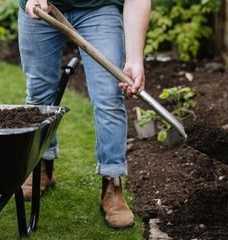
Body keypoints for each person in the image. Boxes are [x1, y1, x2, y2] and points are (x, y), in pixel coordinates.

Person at [18, 0, 151, 229]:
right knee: (39, 95)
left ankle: (112, 184)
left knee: (109, 95)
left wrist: (135, 60)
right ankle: (42, 166)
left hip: (98, 7)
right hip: (43, 6)